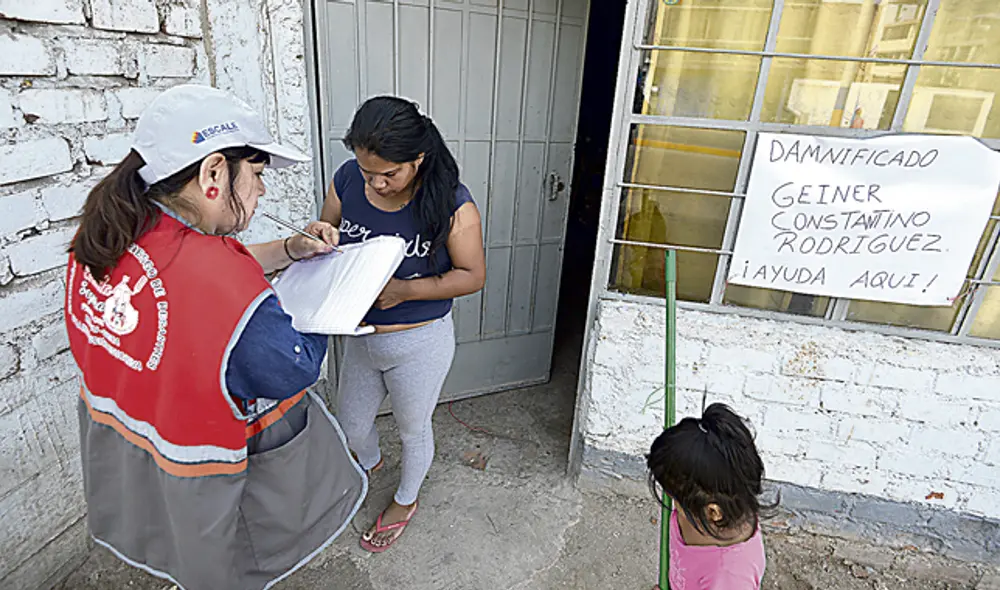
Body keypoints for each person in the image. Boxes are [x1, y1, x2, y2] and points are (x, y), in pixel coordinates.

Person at [66, 84, 367, 590]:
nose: (262, 192)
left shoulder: (105, 236)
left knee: (177, 554)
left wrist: (291, 250)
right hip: (199, 473)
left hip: (131, 459)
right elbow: (291, 366)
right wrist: (331, 309)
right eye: (257, 175)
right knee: (221, 567)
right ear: (213, 174)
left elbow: (186, 282)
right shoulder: (215, 275)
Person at [320, 96, 486, 552]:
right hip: (359, 338)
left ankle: (406, 500)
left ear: (418, 159)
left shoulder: (452, 202)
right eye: (367, 170)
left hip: (420, 341)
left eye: (389, 173)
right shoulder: (348, 178)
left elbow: (472, 275)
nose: (376, 182)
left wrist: (405, 291)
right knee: (351, 425)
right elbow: (326, 227)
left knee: (414, 429)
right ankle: (369, 464)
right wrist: (319, 236)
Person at [647, 403, 769, 590]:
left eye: (676, 499)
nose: (671, 503)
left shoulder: (730, 578)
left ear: (713, 512)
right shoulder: (707, 505)